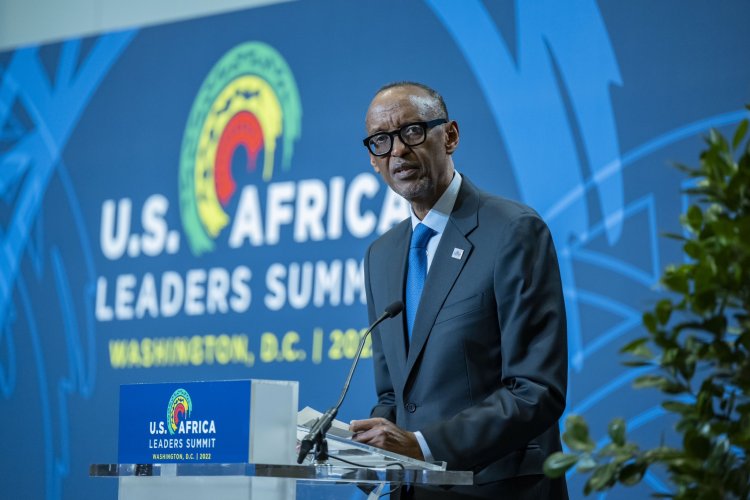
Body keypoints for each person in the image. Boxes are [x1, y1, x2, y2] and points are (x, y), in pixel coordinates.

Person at [349, 82, 569, 499]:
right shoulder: (381, 255)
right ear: (374, 160)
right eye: (381, 141)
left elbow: (536, 390)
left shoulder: (513, 231)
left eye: (412, 131)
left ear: (449, 136)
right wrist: (369, 448)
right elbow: (394, 393)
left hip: (498, 489)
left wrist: (424, 446)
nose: (397, 151)